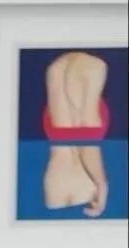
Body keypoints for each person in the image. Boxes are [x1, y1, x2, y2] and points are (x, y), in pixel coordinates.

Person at [41, 50, 112, 217]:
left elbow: (65, 133)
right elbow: (85, 136)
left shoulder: (54, 68)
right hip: (84, 183)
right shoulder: (94, 67)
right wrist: (102, 185)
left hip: (55, 185)